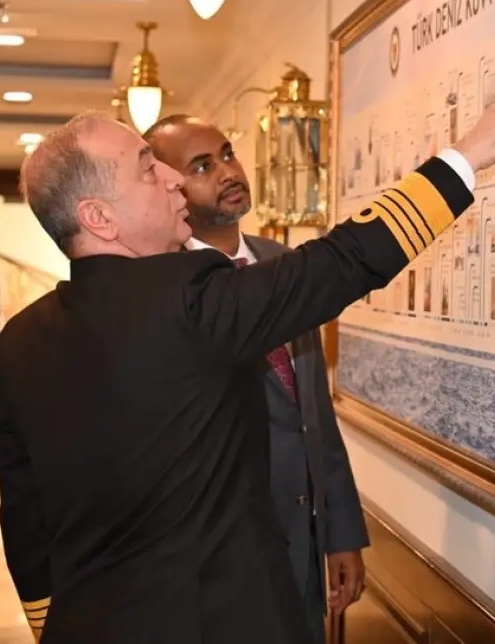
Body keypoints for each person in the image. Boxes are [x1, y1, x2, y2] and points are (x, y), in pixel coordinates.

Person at [0, 81, 495, 644]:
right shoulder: (190, 300)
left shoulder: (18, 344)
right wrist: (469, 154)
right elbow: (342, 261)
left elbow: (26, 529)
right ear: (100, 217)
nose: (173, 178)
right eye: (148, 169)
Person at [143, 114, 367, 640]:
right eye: (202, 166)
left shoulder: (283, 264)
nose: (227, 171)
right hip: (221, 564)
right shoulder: (163, 289)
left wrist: (340, 532)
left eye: (227, 154)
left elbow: (313, 412)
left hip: (304, 549)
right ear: (170, 186)